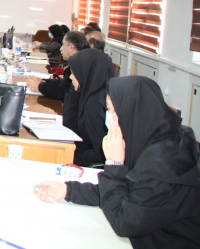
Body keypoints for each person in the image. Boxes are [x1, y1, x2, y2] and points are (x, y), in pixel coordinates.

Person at [35, 76, 200, 248]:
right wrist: (68, 190)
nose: (108, 117)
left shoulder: (164, 162)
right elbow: (128, 189)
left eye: (111, 110)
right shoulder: (155, 137)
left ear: (131, 112)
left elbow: (125, 222)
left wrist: (114, 164)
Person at [28, 31, 90, 131]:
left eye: (63, 45)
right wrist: (43, 81)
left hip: (75, 125)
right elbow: (64, 83)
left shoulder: (80, 66)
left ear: (71, 47)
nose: (61, 48)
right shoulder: (81, 61)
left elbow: (63, 91)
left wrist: (40, 86)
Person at [68, 47, 115, 167]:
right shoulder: (93, 93)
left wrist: (70, 156)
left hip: (91, 164)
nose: (70, 77)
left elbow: (101, 153)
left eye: (74, 73)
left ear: (86, 73)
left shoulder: (95, 104)